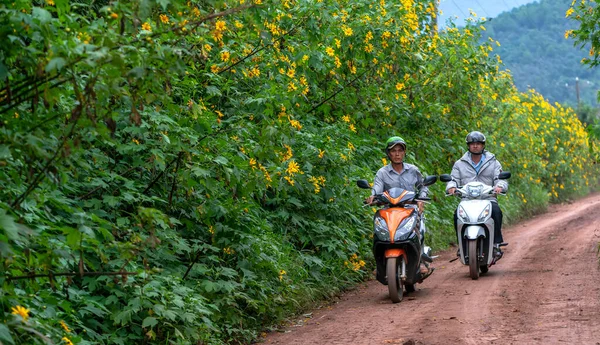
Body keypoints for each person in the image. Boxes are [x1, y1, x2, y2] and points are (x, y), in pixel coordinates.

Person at [366, 136, 431, 274]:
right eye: (393, 151)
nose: (397, 154)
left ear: (404, 152)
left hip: (410, 209)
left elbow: (422, 186)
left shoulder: (413, 170)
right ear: (388, 154)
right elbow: (377, 188)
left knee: (419, 229)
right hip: (389, 210)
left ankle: (421, 261)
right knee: (378, 232)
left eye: (400, 150)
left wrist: (421, 199)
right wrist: (372, 196)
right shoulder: (382, 172)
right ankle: (380, 265)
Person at [445, 131, 508, 256]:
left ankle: (496, 243)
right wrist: (451, 187)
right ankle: (462, 245)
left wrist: (500, 186)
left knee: (496, 211)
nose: (475, 146)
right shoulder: (459, 164)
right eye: (472, 143)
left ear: (483, 145)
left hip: (488, 198)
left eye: (478, 143)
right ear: (468, 145)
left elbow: (500, 178)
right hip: (467, 200)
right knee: (457, 214)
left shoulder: (493, 162)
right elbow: (453, 180)